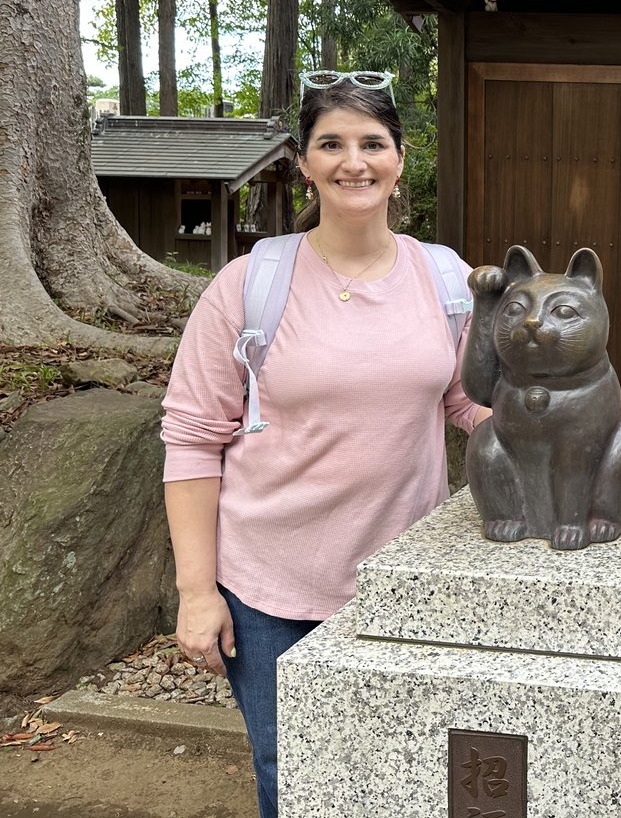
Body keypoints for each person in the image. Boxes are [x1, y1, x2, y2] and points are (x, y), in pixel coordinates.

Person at [161, 72, 487, 818]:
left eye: (373, 143)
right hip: (271, 589)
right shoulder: (250, 284)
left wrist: (557, 444)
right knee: (298, 776)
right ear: (304, 162)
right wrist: (196, 591)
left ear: (400, 158)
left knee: (408, 770)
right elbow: (190, 439)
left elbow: (466, 401)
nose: (354, 161)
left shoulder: (447, 280)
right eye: (331, 144)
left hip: (406, 582)